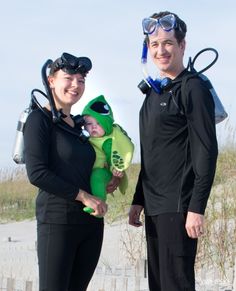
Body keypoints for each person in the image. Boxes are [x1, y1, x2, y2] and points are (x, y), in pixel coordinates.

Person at [129, 11, 218, 291]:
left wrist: (196, 207)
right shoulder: (153, 95)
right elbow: (151, 154)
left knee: (176, 285)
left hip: (179, 207)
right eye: (154, 45)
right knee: (159, 285)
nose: (161, 50)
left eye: (168, 43)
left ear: (182, 46)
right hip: (155, 208)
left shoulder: (193, 88)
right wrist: (138, 200)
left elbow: (207, 151)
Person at [23, 52, 120, 291]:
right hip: (57, 222)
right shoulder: (39, 120)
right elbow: (37, 173)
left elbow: (90, 165)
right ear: (51, 80)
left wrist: (110, 179)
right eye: (69, 78)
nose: (76, 85)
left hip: (90, 223)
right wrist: (83, 196)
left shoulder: (80, 126)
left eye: (81, 80)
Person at [82, 94, 134, 214]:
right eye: (89, 124)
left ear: (106, 123)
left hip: (105, 171)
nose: (94, 127)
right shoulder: (88, 137)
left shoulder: (108, 140)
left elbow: (114, 156)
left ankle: (99, 205)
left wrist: (115, 169)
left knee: (97, 177)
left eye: (99, 123)